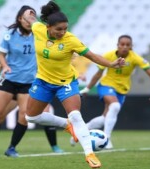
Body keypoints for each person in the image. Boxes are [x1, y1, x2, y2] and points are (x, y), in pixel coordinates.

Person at [22, 1, 125, 168]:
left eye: (65, 28)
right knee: (31, 117)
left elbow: (92, 56)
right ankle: (65, 124)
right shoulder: (38, 29)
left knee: (76, 115)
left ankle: (89, 154)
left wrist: (111, 64)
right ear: (48, 27)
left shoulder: (71, 40)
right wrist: (27, 14)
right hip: (43, 81)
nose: (63, 32)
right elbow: (30, 19)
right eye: (59, 29)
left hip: (66, 83)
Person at [0, 5, 65, 158]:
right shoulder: (10, 34)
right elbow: (1, 56)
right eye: (27, 18)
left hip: (29, 82)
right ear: (20, 19)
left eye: (33, 17)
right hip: (9, 79)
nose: (31, 21)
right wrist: (4, 66)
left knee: (24, 116)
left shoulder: (40, 34)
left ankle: (12, 148)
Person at [75, 35, 150, 149]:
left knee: (105, 118)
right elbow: (98, 74)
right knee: (115, 106)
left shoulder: (135, 58)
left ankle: (81, 131)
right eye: (122, 44)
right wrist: (87, 88)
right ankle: (107, 139)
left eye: (128, 45)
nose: (125, 47)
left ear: (131, 47)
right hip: (106, 85)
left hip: (122, 90)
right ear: (117, 45)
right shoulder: (108, 56)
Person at [0, 64, 64, 154]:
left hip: (31, 87)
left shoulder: (38, 53)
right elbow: (1, 65)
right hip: (13, 88)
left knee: (45, 113)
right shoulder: (15, 53)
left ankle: (54, 146)